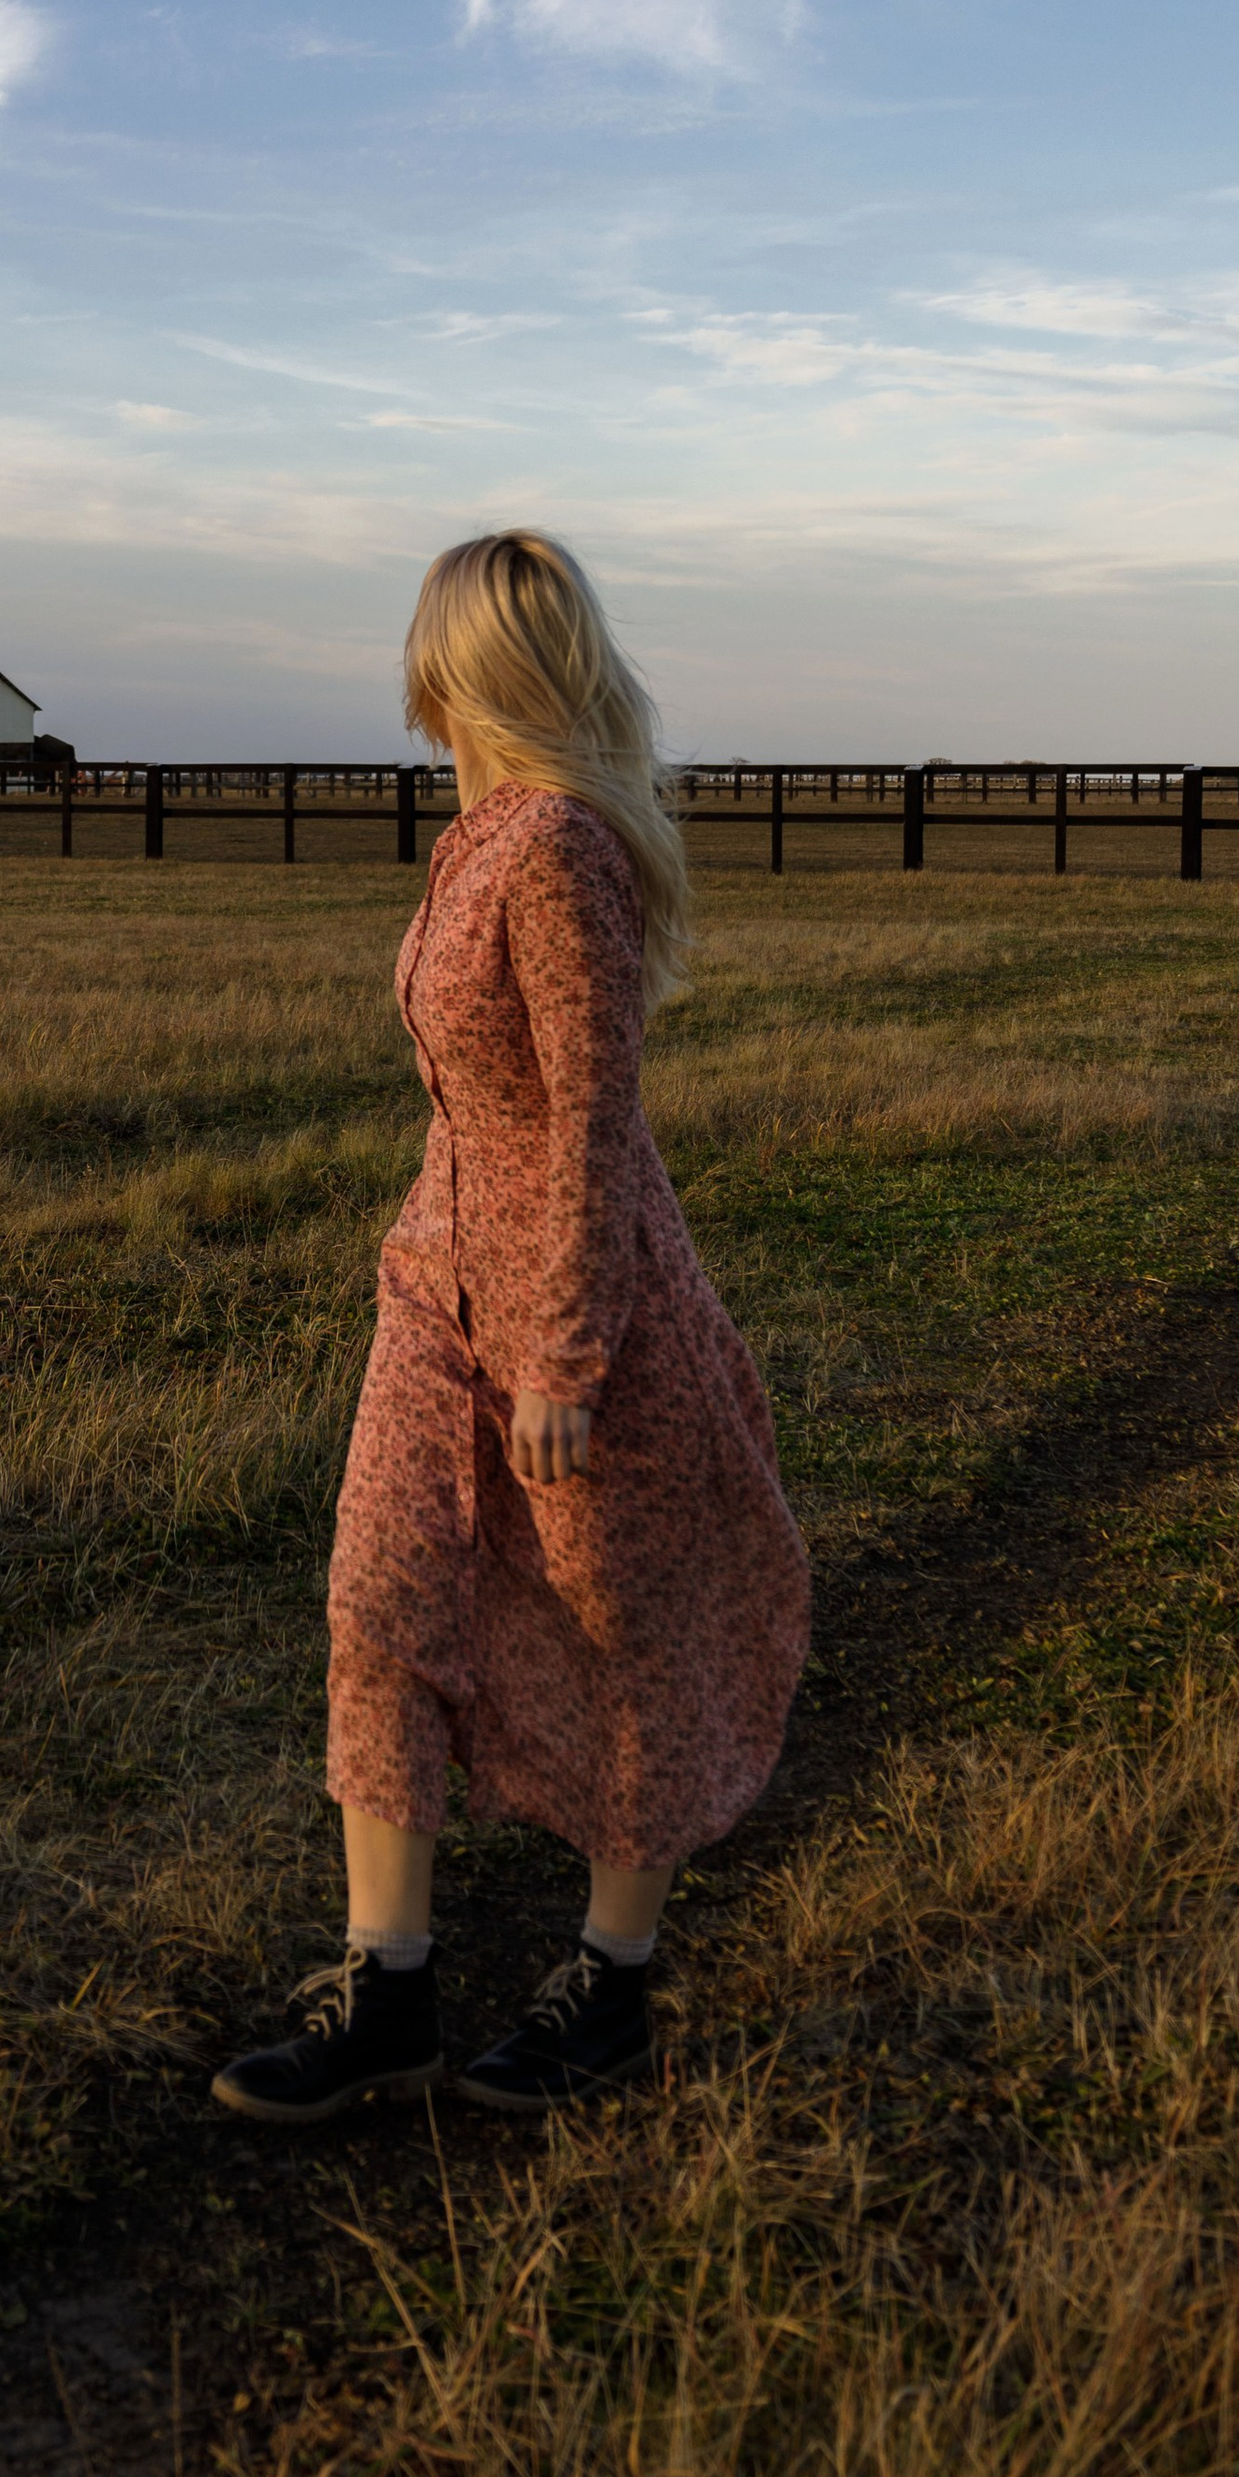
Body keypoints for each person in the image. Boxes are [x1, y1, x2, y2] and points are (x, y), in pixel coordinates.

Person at [213, 531, 808, 2121]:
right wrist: (430, 1269)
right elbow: (473, 1104)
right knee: (379, 1598)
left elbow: (597, 1122)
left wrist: (561, 1348)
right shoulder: (475, 839)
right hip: (436, 1298)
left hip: (576, 1307)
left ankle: (611, 1980)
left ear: (456, 669)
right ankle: (386, 1986)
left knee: (623, 1626)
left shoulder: (552, 850)